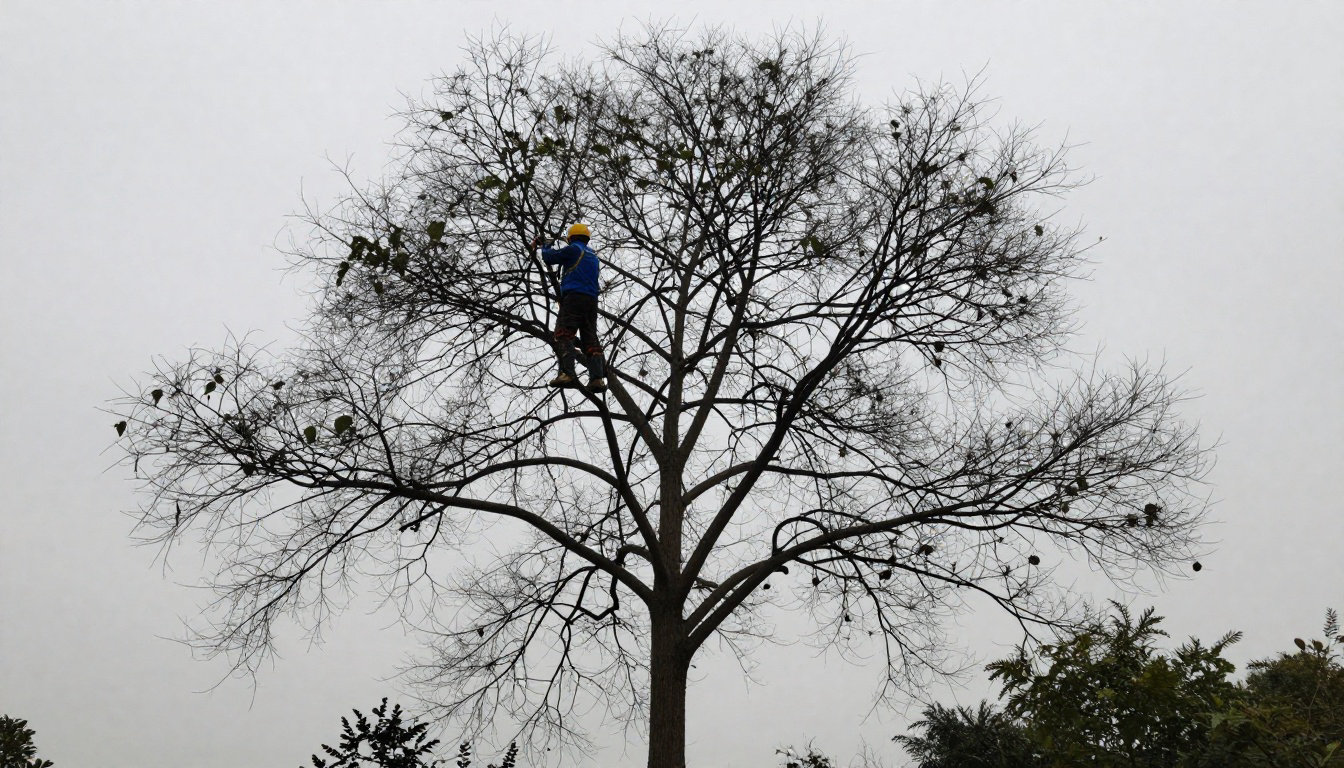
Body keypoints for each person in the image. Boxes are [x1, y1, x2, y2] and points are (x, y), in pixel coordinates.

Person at [535, 223, 606, 392]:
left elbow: (549, 257)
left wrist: (544, 245)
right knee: (590, 339)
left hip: (574, 298)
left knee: (563, 334)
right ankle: (597, 379)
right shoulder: (593, 256)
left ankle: (567, 373)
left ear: (571, 237)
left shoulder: (574, 249)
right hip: (591, 301)